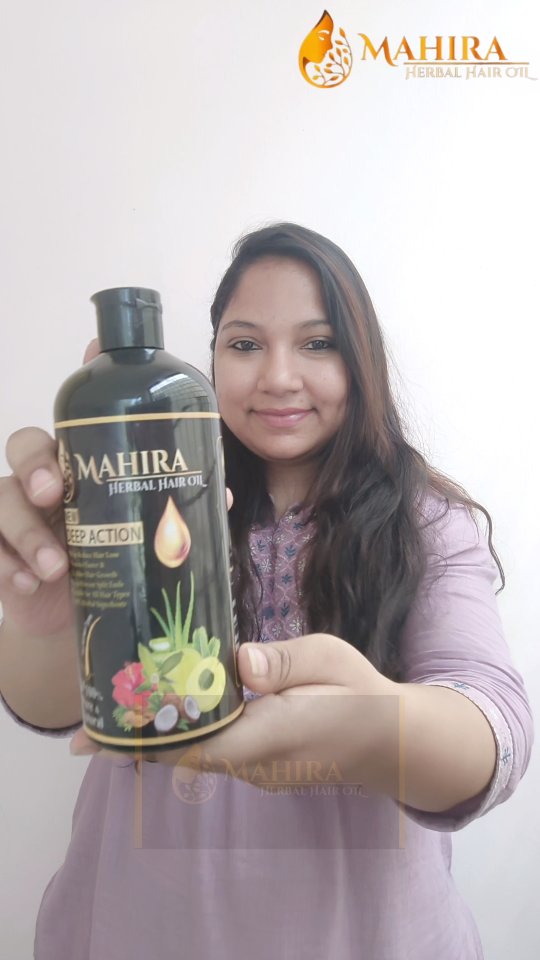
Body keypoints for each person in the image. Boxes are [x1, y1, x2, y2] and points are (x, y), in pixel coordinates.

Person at [0, 222, 533, 960]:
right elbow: (50, 706)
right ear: (212, 357)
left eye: (318, 343)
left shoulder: (427, 520)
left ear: (362, 360)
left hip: (365, 934)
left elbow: (494, 729)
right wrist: (48, 610)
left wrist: (374, 728)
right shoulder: (148, 496)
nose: (278, 376)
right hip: (141, 925)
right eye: (246, 343)